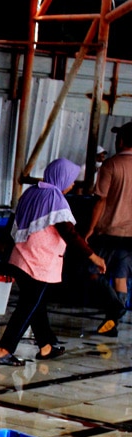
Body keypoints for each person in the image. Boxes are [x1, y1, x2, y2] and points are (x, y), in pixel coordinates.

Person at [0, 158, 107, 366]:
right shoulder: (54, 197)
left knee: (36, 303)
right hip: (38, 261)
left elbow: (11, 225)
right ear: (62, 178)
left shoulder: (31, 192)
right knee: (28, 305)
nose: (72, 185)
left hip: (20, 258)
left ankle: (46, 346)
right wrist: (93, 256)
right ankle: (3, 350)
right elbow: (69, 233)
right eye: (71, 181)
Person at [86, 122, 132, 337]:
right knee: (121, 277)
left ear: (121, 140)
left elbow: (100, 201)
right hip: (130, 235)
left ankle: (115, 306)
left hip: (109, 231)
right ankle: (112, 322)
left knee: (93, 272)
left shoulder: (111, 165)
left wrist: (90, 229)